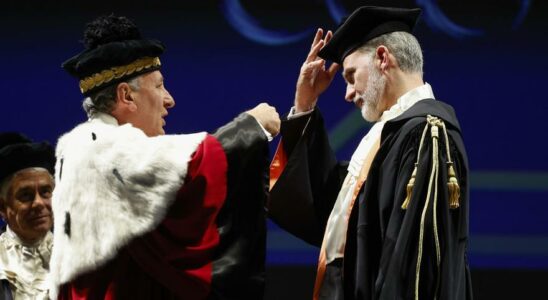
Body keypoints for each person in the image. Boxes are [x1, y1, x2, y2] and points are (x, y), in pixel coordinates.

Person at [49, 15, 279, 299]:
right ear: (127, 96)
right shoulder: (100, 151)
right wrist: (251, 127)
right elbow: (190, 168)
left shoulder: (84, 148)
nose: (169, 99)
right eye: (158, 86)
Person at [268, 6, 472, 300]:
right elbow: (329, 210)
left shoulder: (426, 134)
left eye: (350, 75)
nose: (347, 93)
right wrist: (304, 107)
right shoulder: (389, 135)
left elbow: (413, 268)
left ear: (382, 58)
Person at [0, 132, 56, 299]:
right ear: (2, 207)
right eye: (26, 195)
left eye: (46, 192)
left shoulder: (80, 256)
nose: (39, 203)